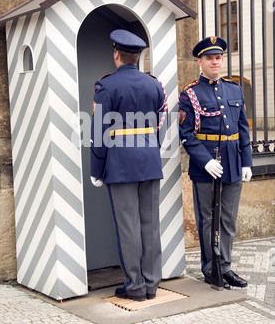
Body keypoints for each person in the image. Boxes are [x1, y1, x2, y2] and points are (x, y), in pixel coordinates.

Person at [90, 29, 168, 301]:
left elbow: (99, 132)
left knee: (129, 227)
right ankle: (151, 284)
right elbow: (162, 125)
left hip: (120, 164)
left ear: (116, 54)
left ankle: (135, 286)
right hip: (149, 160)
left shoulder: (106, 86)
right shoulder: (155, 84)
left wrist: (96, 170)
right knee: (150, 225)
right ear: (137, 56)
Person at [178, 36, 252, 289]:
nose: (214, 62)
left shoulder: (234, 89)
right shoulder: (190, 93)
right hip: (206, 164)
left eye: (218, 57)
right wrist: (205, 160)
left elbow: (243, 129)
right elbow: (186, 133)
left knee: (228, 219)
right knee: (209, 219)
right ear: (199, 61)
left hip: (232, 161)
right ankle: (211, 269)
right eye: (209, 58)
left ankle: (226, 267)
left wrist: (247, 162)